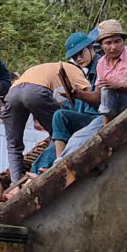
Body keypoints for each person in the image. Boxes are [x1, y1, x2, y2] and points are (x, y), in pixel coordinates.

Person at [1, 56, 92, 185]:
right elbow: (91, 95)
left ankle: (14, 184)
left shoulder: (46, 67)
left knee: (13, 144)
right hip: (35, 91)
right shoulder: (76, 70)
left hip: (13, 93)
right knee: (59, 134)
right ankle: (43, 169)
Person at [32, 30, 101, 175]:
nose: (79, 58)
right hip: (83, 119)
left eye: (81, 53)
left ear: (91, 48)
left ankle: (59, 165)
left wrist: (80, 95)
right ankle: (34, 175)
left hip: (96, 119)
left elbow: (99, 100)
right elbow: (75, 106)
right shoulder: (82, 72)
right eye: (75, 57)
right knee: (49, 151)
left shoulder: (101, 67)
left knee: (60, 116)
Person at [81, 19, 127, 120]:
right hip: (111, 112)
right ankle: (107, 125)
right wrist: (78, 94)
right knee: (79, 136)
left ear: (123, 41)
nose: (113, 47)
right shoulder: (101, 64)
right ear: (101, 46)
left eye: (117, 41)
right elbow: (98, 97)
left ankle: (107, 127)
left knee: (107, 89)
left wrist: (117, 85)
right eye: (108, 43)